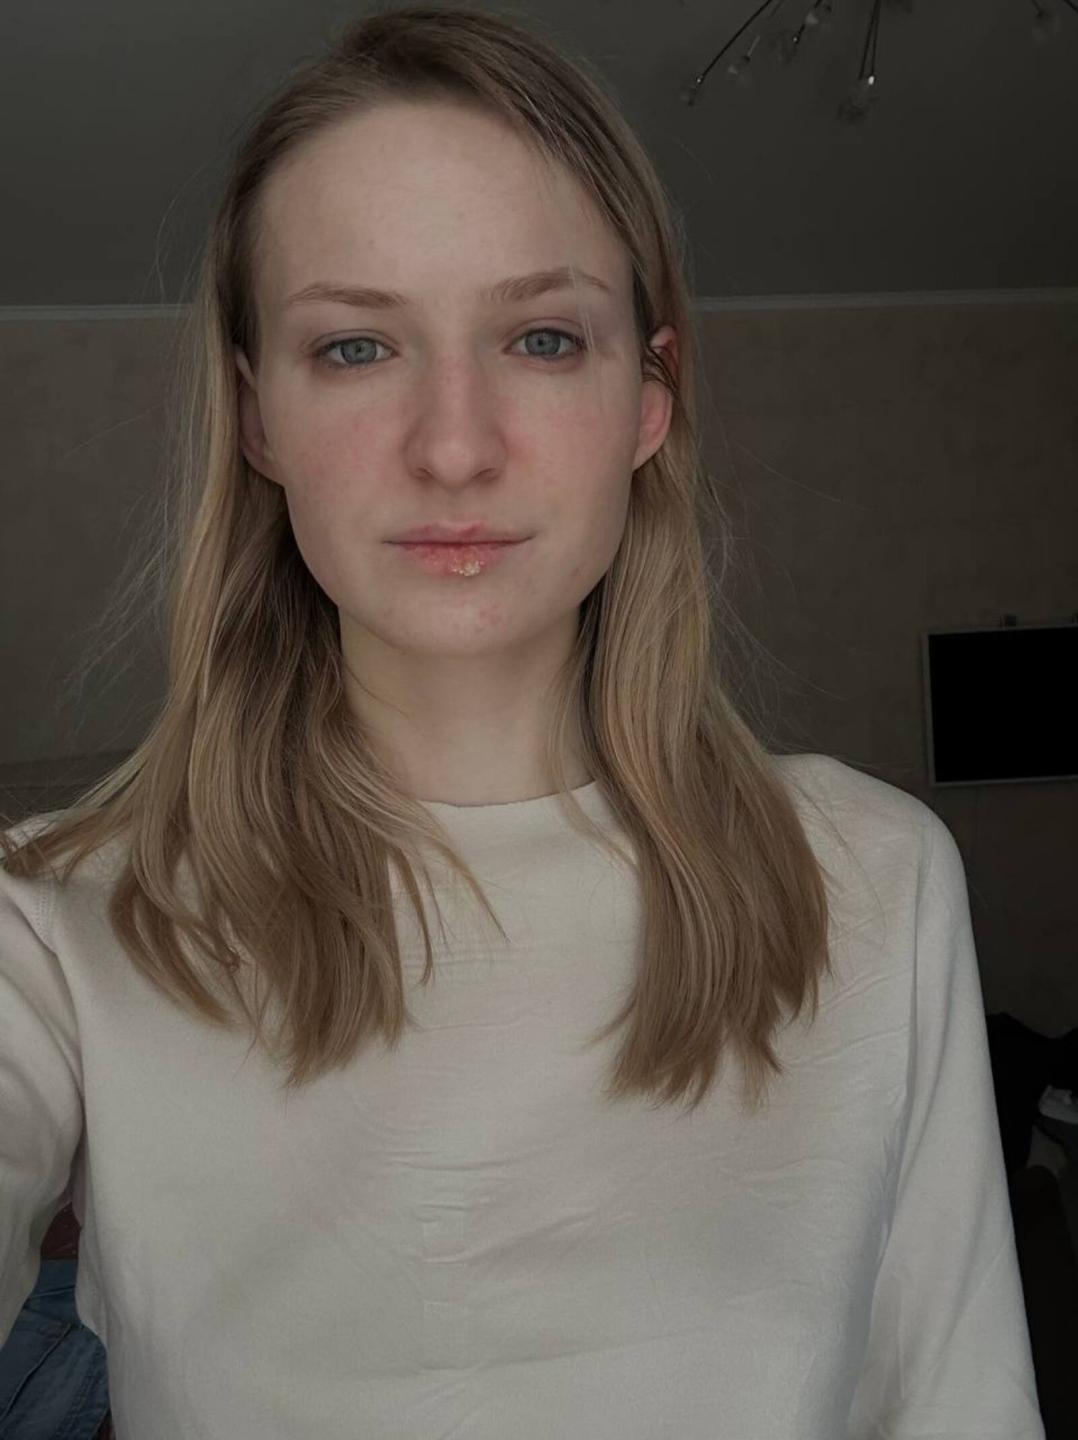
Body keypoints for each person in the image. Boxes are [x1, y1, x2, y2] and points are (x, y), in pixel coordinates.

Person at [0, 6, 1044, 1437]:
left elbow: (959, 1404)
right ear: (257, 419)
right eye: (355, 348)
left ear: (647, 400)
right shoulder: (60, 923)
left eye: (543, 338)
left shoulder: (871, 877)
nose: (454, 446)